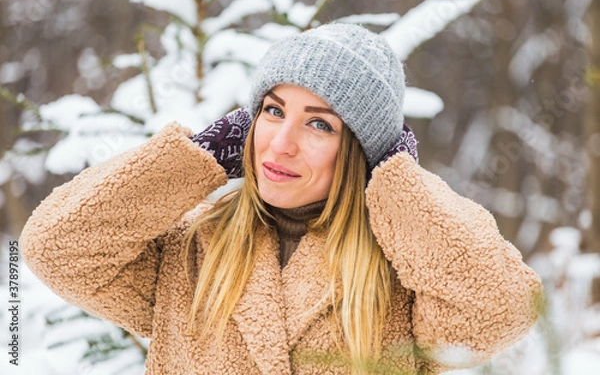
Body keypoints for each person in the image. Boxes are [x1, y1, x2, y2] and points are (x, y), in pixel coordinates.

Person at [20, 23, 543, 375]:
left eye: (319, 123)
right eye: (272, 111)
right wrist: (196, 156)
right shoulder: (192, 253)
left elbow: (501, 307)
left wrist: (396, 180)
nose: (282, 142)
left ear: (362, 151)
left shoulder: (404, 277)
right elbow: (57, 245)